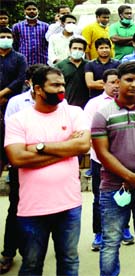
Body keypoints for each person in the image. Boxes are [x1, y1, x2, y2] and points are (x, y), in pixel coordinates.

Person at [5, 66, 90, 275]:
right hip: (33, 209)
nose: (61, 89)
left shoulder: (74, 113)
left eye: (62, 84)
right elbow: (17, 158)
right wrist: (65, 148)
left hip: (69, 206)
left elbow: (82, 146)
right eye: (55, 85)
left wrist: (40, 147)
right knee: (32, 265)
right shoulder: (18, 119)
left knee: (69, 262)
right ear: (38, 89)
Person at [91, 62, 135, 276]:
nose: (134, 84)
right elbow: (102, 153)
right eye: (128, 80)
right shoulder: (103, 114)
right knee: (111, 241)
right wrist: (129, 177)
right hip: (114, 188)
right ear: (117, 82)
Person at [0, 64, 40, 274]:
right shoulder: (16, 102)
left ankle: (33, 253)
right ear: (29, 83)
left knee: (44, 212)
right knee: (15, 208)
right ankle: (8, 253)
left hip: (45, 165)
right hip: (22, 163)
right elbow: (12, 135)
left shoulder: (59, 101)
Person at [83, 69, 119, 251]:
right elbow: (88, 131)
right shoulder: (94, 104)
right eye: (112, 82)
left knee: (124, 196)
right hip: (100, 159)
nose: (116, 86)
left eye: (119, 82)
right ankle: (99, 232)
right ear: (104, 84)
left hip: (123, 160)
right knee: (100, 197)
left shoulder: (128, 102)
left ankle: (124, 229)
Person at [54, 37, 90, 108]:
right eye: (75, 48)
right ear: (70, 49)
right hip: (66, 104)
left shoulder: (89, 65)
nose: (77, 50)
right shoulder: (60, 65)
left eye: (80, 49)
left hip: (86, 105)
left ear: (84, 51)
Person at [12, 1, 49, 66]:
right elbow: (15, 44)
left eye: (34, 9)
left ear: (38, 11)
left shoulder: (46, 26)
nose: (32, 11)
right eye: (29, 9)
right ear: (24, 11)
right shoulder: (17, 26)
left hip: (42, 61)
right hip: (24, 61)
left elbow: (48, 43)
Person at [0, 27, 28, 106]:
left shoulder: (20, 58)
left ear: (13, 39)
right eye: (2, 37)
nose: (6, 39)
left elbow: (20, 78)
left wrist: (2, 94)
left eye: (9, 37)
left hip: (12, 98)